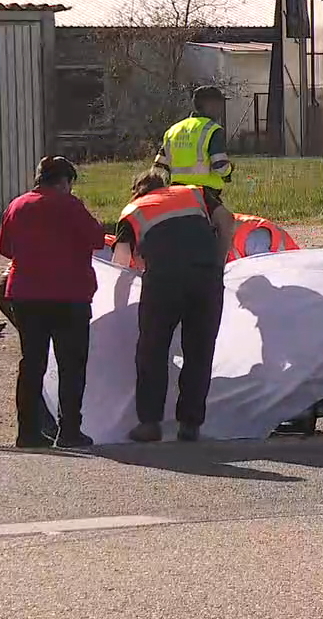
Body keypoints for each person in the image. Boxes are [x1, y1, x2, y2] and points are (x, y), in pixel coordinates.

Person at [112, 169, 236, 442]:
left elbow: (120, 262)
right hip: (205, 279)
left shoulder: (133, 210)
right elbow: (227, 221)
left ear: (137, 191)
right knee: (199, 350)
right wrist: (218, 261)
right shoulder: (194, 193)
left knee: (152, 350)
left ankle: (150, 423)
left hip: (163, 282)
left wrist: (119, 304)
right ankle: (190, 424)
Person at [0, 156, 105, 449]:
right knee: (71, 364)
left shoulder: (17, 206)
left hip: (26, 296)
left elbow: (6, 249)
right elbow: (97, 238)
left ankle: (28, 431)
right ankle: (69, 430)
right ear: (64, 182)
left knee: (32, 364)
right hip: (68, 296)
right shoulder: (70, 205)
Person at [153, 85, 234, 195]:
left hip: (177, 193)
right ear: (211, 105)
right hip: (205, 194)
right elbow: (221, 167)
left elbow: (159, 167)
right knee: (223, 213)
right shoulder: (212, 130)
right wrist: (229, 170)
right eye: (219, 105)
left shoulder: (174, 129)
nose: (220, 110)